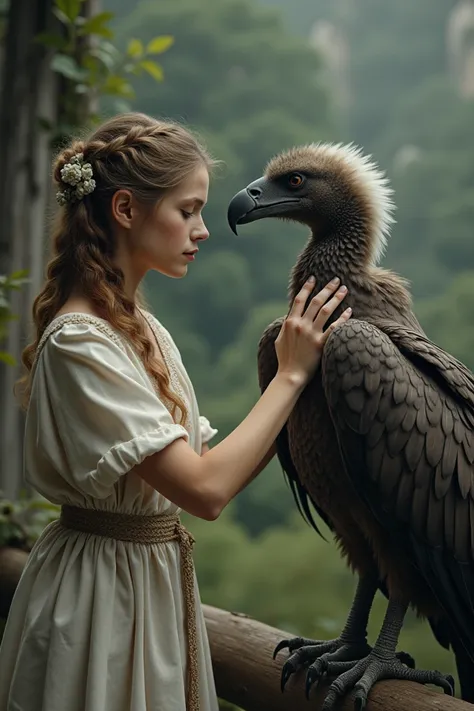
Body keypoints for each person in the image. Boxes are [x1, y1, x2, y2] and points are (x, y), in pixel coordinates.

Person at [0, 112, 351, 711]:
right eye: (187, 211)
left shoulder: (143, 329)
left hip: (144, 587)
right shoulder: (81, 341)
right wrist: (289, 375)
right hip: (99, 603)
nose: (204, 230)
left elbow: (210, 467)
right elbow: (206, 491)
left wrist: (305, 388)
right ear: (127, 211)